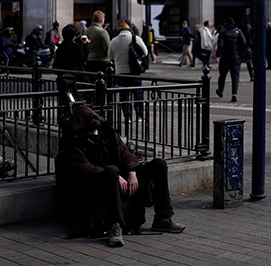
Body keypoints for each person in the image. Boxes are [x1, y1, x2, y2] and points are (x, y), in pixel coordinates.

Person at [65, 105, 185, 246]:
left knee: (159, 164)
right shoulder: (77, 144)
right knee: (111, 170)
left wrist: (132, 172)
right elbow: (84, 169)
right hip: (101, 187)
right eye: (90, 117)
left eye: (94, 116)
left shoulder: (109, 135)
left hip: (124, 181)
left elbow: (127, 154)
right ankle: (115, 226)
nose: (95, 118)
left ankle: (163, 217)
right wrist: (114, 176)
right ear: (81, 122)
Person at [108, 19, 148, 123]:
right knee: (137, 94)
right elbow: (146, 52)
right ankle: (139, 116)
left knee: (124, 96)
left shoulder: (114, 41)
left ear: (118, 28)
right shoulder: (136, 39)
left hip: (120, 72)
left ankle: (128, 117)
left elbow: (110, 56)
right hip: (135, 71)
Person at [215, 17, 247, 103]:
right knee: (235, 76)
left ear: (225, 23)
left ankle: (220, 90)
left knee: (222, 75)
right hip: (235, 56)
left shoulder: (223, 31)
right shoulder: (238, 31)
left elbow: (220, 44)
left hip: (225, 56)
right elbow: (244, 42)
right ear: (233, 23)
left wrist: (218, 55)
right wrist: (238, 50)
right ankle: (234, 94)